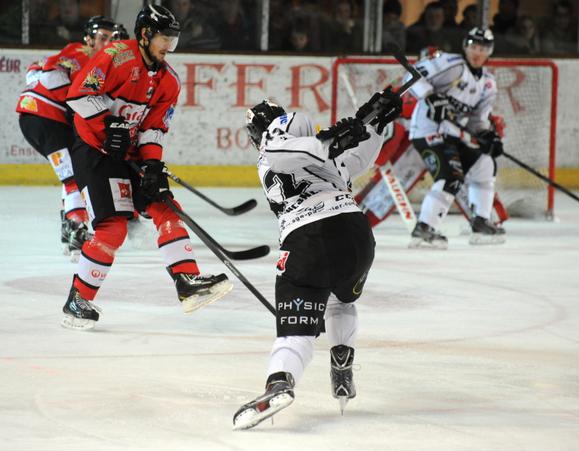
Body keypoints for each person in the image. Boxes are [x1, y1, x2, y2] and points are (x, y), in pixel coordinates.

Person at [232, 89, 402, 430]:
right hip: (356, 236)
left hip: (309, 241)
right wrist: (376, 127)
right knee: (341, 301)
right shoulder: (317, 152)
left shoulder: (273, 144)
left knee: (295, 334)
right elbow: (358, 159)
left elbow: (288, 143)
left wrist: (349, 132)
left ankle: (280, 382)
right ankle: (342, 361)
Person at [60, 4, 233, 330]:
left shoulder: (169, 81)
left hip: (130, 154)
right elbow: (79, 93)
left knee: (166, 206)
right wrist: (108, 123)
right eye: (164, 38)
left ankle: (186, 281)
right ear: (144, 35)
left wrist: (152, 164)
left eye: (173, 40)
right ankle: (78, 299)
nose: (169, 46)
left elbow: (153, 128)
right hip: (95, 151)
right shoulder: (115, 55)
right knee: (113, 228)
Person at [16, 15, 121, 259]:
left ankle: (69, 227)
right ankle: (77, 228)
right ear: (89, 38)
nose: (107, 43)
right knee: (72, 175)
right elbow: (49, 69)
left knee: (72, 172)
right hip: (44, 118)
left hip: (40, 117)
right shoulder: (82, 53)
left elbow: (35, 70)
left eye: (112, 39)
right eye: (103, 37)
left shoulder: (82, 56)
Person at [406, 27, 506, 249]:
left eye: (482, 48)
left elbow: (477, 122)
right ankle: (424, 229)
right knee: (451, 176)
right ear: (465, 46)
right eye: (473, 46)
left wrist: (487, 136)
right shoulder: (451, 64)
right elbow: (411, 75)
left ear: (490, 51)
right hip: (427, 131)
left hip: (453, 136)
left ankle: (480, 220)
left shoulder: (487, 83)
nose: (476, 52)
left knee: (485, 164)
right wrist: (430, 97)